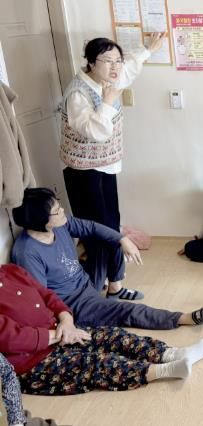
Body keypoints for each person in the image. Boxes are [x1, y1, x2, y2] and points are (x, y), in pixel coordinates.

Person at [0, 264, 203, 396]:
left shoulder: (11, 271)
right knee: (94, 363)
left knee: (111, 335)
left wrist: (66, 320)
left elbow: (48, 296)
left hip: (60, 331)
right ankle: (165, 370)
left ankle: (173, 354)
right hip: (29, 362)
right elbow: (9, 338)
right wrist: (60, 335)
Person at [11, 188, 203, 330]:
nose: (63, 211)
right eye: (57, 210)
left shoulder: (59, 224)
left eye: (59, 205)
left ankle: (115, 289)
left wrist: (123, 239)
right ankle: (179, 318)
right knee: (125, 311)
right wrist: (66, 321)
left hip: (86, 282)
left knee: (109, 240)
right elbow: (43, 297)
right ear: (40, 219)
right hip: (74, 304)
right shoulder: (27, 252)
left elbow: (91, 227)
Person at [59, 34, 165, 295]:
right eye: (108, 61)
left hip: (106, 166)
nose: (115, 66)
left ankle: (115, 284)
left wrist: (147, 50)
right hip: (83, 171)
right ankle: (96, 291)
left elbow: (129, 69)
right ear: (91, 63)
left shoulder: (110, 79)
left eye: (118, 60)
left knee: (111, 225)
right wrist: (106, 103)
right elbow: (94, 131)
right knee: (97, 232)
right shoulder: (77, 93)